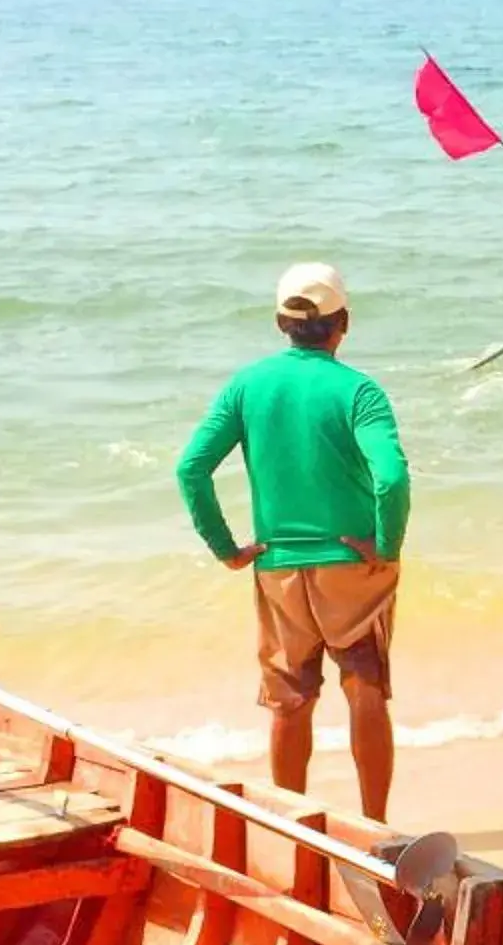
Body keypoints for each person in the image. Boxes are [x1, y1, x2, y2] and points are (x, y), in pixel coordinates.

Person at [175, 261, 412, 818]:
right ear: (343, 322)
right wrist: (386, 543)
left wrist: (227, 548)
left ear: (281, 322)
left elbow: (190, 469)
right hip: (352, 566)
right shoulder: (359, 391)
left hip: (277, 565)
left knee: (289, 701)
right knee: (365, 687)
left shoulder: (247, 386)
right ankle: (375, 826)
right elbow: (393, 476)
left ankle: (291, 823)